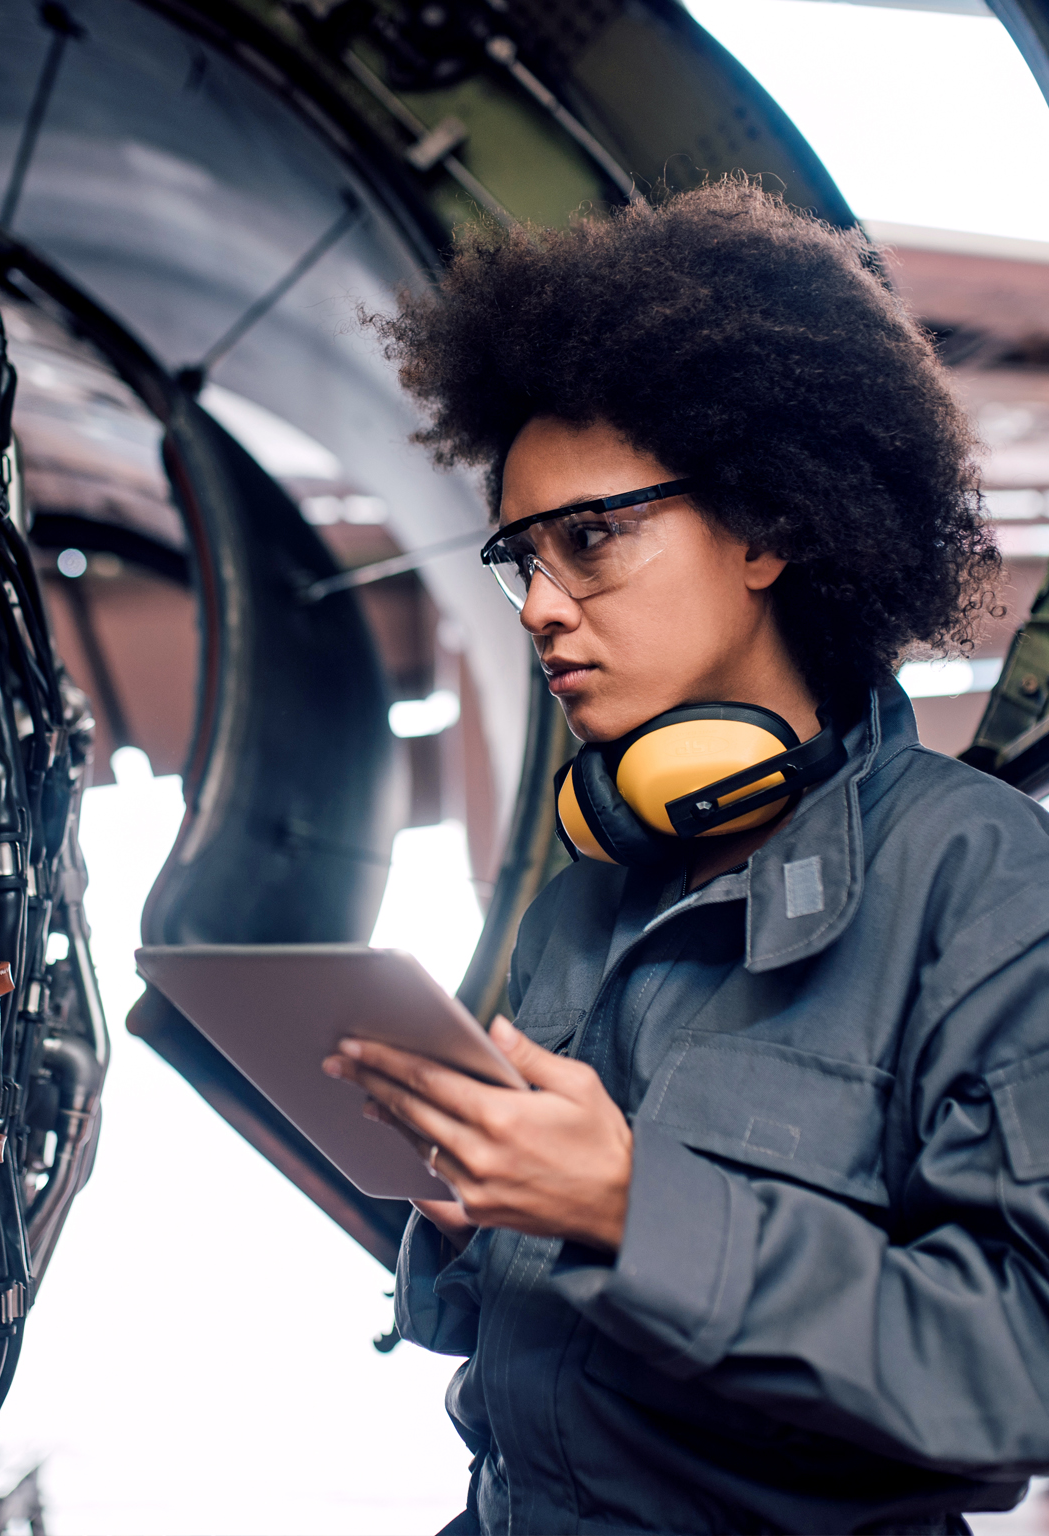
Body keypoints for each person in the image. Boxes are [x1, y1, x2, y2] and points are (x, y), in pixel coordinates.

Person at [324, 179, 1049, 1534]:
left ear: (766, 526)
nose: (541, 608)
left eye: (590, 539)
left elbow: (1023, 1368)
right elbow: (511, 1344)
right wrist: (468, 1222)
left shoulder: (982, 885)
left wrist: (632, 1206)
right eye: (519, 558)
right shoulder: (593, 891)